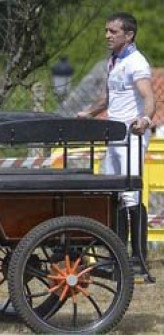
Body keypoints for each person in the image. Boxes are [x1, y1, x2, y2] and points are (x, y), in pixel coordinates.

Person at [77, 12, 157, 263]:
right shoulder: (115, 60)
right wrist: (89, 113)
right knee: (113, 193)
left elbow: (149, 98)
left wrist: (144, 120)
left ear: (129, 35)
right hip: (114, 137)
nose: (107, 36)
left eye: (113, 31)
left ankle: (138, 259)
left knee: (131, 194)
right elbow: (110, 97)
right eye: (106, 31)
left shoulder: (136, 63)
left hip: (131, 138)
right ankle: (117, 254)